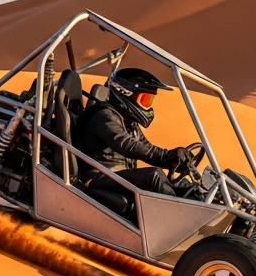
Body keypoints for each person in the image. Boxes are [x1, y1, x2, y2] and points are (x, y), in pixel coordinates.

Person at [75, 67, 193, 198]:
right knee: (153, 176)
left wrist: (173, 160)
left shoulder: (128, 122)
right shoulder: (105, 117)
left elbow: (146, 148)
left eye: (149, 101)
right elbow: (128, 145)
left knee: (182, 184)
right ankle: (178, 209)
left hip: (115, 176)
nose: (147, 106)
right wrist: (165, 156)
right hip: (98, 178)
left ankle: (200, 200)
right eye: (144, 100)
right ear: (125, 94)